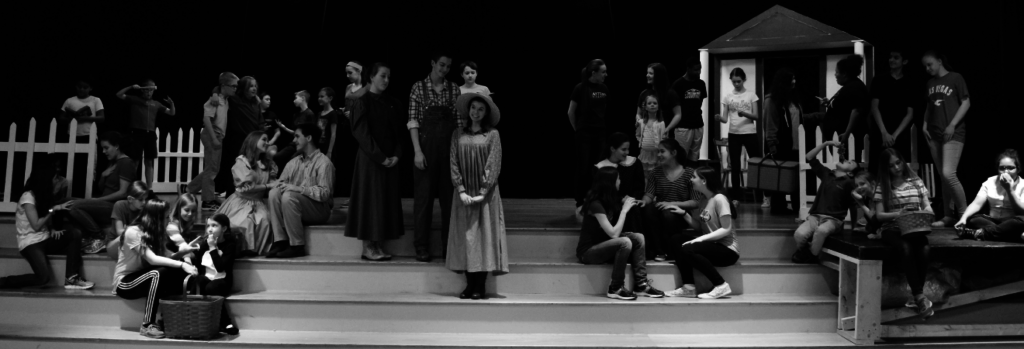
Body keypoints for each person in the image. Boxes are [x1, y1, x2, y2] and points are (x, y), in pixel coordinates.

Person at [0, 153, 93, 290]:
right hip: (30, 242)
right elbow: (36, 225)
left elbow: (45, 218)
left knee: (75, 234)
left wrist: (52, 229)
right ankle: (3, 282)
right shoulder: (28, 197)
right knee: (42, 277)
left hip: (45, 238)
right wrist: (52, 210)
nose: (56, 180)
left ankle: (72, 277)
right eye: (54, 178)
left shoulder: (43, 195)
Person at [447, 92, 508, 299]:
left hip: (485, 195)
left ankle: (480, 285)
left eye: (480, 109)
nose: (476, 112)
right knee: (466, 239)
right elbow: (453, 162)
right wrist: (461, 189)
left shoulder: (492, 135)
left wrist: (483, 192)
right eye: (473, 108)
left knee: (483, 238)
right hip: (463, 194)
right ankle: (468, 284)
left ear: (486, 113)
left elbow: (494, 162)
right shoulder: (457, 134)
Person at [113, 198, 198, 339]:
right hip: (125, 283)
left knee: (171, 271)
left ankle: (169, 318)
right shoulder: (132, 232)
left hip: (144, 276)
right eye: (165, 217)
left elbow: (168, 258)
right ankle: (147, 324)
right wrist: (182, 264)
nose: (168, 220)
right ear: (155, 217)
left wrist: (183, 255)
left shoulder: (157, 233)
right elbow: (152, 259)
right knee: (157, 273)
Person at [577, 167, 664, 300]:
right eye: (618, 179)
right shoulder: (595, 204)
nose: (620, 182)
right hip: (588, 252)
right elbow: (613, 234)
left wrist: (628, 202)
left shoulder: (609, 199)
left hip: (604, 244)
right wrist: (624, 211)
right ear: (610, 182)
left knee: (638, 237)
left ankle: (641, 284)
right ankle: (615, 287)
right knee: (625, 242)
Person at [346, 62, 405, 261]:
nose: (386, 80)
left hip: (389, 160)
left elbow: (399, 133)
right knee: (370, 200)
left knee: (384, 201)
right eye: (382, 76)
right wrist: (380, 157)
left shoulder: (393, 103)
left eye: (388, 77)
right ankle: (368, 246)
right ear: (371, 77)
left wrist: (396, 154)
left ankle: (378, 244)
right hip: (371, 159)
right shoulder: (361, 101)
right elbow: (361, 133)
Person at [866, 148, 934, 318]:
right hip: (892, 228)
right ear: (885, 168)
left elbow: (927, 205)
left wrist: (927, 212)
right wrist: (898, 214)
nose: (896, 168)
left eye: (898, 162)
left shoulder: (915, 181)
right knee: (905, 248)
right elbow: (879, 215)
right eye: (891, 165)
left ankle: (916, 295)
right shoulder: (883, 186)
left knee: (924, 249)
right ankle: (919, 296)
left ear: (903, 161)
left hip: (915, 226)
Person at [408, 52, 462, 262]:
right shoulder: (418, 88)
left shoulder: (454, 88)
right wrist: (417, 151)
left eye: (448, 66)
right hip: (426, 149)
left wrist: (457, 154)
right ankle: (421, 246)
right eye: (441, 65)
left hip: (448, 150)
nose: (444, 69)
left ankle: (449, 247)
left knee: (449, 202)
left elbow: (458, 124)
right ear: (432, 63)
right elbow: (413, 122)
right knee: (423, 201)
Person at [664, 166, 739, 299]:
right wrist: (684, 214)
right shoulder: (703, 200)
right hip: (712, 246)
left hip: (727, 251)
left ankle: (720, 285)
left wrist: (701, 239)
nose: (691, 180)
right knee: (676, 239)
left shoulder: (720, 198)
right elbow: (700, 228)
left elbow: (726, 229)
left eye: (694, 177)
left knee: (688, 248)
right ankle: (688, 287)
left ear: (704, 181)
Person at [266, 124, 335, 258]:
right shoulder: (294, 162)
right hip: (296, 207)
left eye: (297, 136)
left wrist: (299, 189)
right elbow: (281, 183)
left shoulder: (324, 162)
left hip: (319, 210)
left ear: (308, 138)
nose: (294, 140)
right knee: (274, 193)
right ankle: (280, 240)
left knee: (289, 196)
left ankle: (297, 245)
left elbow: (325, 194)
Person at [922, 50, 970, 227]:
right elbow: (929, 105)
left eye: (930, 64)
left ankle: (964, 214)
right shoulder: (930, 83)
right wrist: (924, 124)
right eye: (925, 66)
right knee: (942, 176)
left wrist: (952, 124)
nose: (927, 68)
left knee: (949, 173)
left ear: (939, 61)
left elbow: (966, 102)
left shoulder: (955, 78)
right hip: (934, 134)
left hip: (953, 133)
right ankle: (948, 215)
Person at [68, 131, 137, 253]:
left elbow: (123, 192)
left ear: (116, 146)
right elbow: (101, 188)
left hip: (113, 206)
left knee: (75, 207)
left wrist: (97, 200)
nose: (104, 151)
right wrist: (103, 175)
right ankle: (83, 237)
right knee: (67, 202)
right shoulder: (113, 163)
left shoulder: (126, 163)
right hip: (103, 203)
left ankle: (99, 237)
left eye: (106, 148)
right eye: (103, 148)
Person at [791, 141, 859, 264]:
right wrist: (826, 144)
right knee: (799, 234)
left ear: (850, 173)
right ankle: (807, 253)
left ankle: (811, 255)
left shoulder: (849, 182)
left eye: (850, 162)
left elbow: (853, 206)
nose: (846, 160)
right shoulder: (827, 174)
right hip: (814, 217)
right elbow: (809, 157)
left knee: (822, 231)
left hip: (833, 220)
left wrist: (855, 226)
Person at [185, 72, 238, 211]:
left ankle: (189, 188)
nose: (235, 89)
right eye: (233, 86)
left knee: (213, 168)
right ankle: (207, 201)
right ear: (224, 86)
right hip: (212, 134)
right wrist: (214, 138)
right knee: (212, 169)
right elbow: (206, 119)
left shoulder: (225, 99)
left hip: (218, 135)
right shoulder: (214, 100)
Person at [217, 131, 275, 256]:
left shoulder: (266, 163)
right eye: (264, 139)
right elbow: (246, 187)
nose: (267, 143)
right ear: (254, 141)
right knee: (243, 222)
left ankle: (253, 251)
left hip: (258, 202)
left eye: (267, 140)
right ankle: (238, 251)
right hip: (241, 202)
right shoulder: (242, 162)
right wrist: (268, 185)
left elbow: (272, 180)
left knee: (264, 220)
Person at [642, 139, 700, 261]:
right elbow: (649, 195)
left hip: (680, 213)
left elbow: (695, 202)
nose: (658, 155)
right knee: (649, 210)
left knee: (668, 214)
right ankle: (659, 251)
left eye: (662, 151)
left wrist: (671, 204)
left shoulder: (689, 173)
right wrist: (643, 201)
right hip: (661, 210)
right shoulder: (655, 172)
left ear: (673, 153)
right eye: (658, 151)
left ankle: (671, 250)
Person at [569, 59, 609, 222]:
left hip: (600, 133)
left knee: (598, 168)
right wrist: (578, 129)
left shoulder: (604, 88)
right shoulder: (580, 88)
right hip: (585, 133)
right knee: (583, 168)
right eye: (603, 72)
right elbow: (570, 112)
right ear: (594, 73)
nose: (606, 75)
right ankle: (580, 201)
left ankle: (596, 200)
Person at [185, 213, 239, 335]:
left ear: (224, 228)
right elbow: (199, 267)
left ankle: (225, 322)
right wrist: (190, 257)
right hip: (207, 278)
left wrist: (213, 248)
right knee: (198, 280)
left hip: (222, 281)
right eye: (208, 225)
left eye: (214, 225)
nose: (210, 229)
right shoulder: (204, 245)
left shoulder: (230, 246)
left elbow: (220, 268)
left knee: (211, 287)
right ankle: (188, 316)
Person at [955, 149, 1024, 242]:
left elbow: (1021, 211)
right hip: (992, 221)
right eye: (1002, 168)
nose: (1006, 171)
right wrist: (963, 218)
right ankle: (1011, 235)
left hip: (1013, 221)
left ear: (1018, 169)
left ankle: (979, 233)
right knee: (972, 219)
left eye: (1010, 168)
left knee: (1022, 220)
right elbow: (977, 204)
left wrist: (1009, 190)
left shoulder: (1023, 185)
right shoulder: (990, 182)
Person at [116, 79, 175, 188]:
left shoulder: (156, 104)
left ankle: (149, 188)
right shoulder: (134, 99)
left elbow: (171, 113)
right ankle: (130, 187)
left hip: (150, 135)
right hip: (137, 133)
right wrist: (131, 87)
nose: (149, 93)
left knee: (149, 162)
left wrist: (171, 104)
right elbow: (119, 94)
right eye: (147, 90)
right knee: (135, 162)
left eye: (151, 90)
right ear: (142, 90)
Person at [716, 68, 761, 198]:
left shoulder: (751, 95)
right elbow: (725, 119)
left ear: (744, 80)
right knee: (735, 165)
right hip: (734, 133)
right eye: (734, 82)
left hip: (749, 133)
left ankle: (759, 194)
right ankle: (735, 196)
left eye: (739, 81)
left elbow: (756, 116)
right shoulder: (728, 97)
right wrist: (719, 118)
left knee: (756, 163)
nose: (736, 84)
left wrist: (744, 113)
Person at [868, 49, 915, 174]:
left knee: (898, 168)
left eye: (896, 57)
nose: (891, 60)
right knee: (877, 167)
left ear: (904, 61)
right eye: (890, 57)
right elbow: (874, 107)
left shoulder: (909, 83)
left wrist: (895, 135)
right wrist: (884, 132)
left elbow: (910, 113)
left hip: (899, 133)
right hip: (880, 131)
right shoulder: (879, 80)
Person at [763, 69, 803, 214]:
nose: (794, 82)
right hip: (781, 145)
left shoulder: (792, 98)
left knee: (795, 178)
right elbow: (770, 123)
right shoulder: (771, 100)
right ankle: (779, 207)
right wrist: (772, 144)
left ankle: (797, 206)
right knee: (780, 178)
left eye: (794, 79)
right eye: (791, 79)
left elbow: (796, 118)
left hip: (796, 144)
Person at [217, 76, 263, 198]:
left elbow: (260, 121)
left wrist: (262, 135)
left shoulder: (256, 103)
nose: (254, 88)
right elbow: (220, 89)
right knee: (235, 169)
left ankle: (248, 196)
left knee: (251, 169)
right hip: (237, 141)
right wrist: (214, 95)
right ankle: (231, 197)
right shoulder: (235, 100)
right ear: (244, 88)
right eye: (251, 86)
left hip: (252, 141)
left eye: (255, 86)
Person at [59, 80, 105, 198]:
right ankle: (71, 193)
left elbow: (101, 118)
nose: (82, 90)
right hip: (73, 136)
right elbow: (61, 118)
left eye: (85, 87)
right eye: (80, 87)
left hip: (89, 135)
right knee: (73, 165)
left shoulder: (95, 100)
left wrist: (84, 118)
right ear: (76, 87)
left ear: (90, 88)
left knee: (88, 166)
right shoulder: (70, 100)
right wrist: (72, 118)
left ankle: (87, 194)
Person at [819, 55, 869, 161]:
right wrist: (829, 103)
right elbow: (844, 108)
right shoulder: (849, 87)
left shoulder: (855, 87)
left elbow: (856, 111)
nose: (835, 75)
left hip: (846, 141)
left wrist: (847, 133)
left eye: (837, 72)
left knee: (847, 168)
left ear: (845, 74)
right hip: (842, 140)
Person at [598, 133, 646, 234]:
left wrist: (631, 199)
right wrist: (621, 200)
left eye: (628, 149)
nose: (627, 152)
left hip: (632, 200)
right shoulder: (601, 167)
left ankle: (640, 243)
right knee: (622, 210)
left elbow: (639, 187)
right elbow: (602, 192)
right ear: (612, 149)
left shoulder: (635, 163)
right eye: (623, 149)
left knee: (638, 209)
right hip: (611, 201)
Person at [104, 181, 158, 260]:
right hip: (116, 243)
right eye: (140, 200)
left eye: (146, 199)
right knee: (129, 236)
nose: (144, 202)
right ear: (130, 199)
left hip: (135, 243)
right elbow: (120, 232)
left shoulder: (144, 209)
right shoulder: (120, 205)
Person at [670, 57, 708, 163]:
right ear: (688, 69)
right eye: (696, 69)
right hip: (683, 126)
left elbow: (699, 103)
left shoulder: (701, 84)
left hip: (698, 124)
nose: (699, 72)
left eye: (700, 69)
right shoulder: (678, 84)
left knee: (694, 157)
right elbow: (674, 107)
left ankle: (691, 178)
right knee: (681, 157)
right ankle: (681, 179)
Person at [637, 63, 681, 149]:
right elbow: (638, 113)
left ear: (658, 75)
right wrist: (639, 121)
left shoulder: (670, 93)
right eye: (647, 73)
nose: (647, 75)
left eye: (651, 73)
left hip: (664, 135)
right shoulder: (644, 93)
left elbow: (678, 114)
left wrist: (667, 128)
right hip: (647, 136)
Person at [274, 90, 315, 170]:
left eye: (296, 98)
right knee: (277, 157)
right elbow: (295, 133)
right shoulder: (296, 115)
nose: (294, 100)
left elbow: (311, 133)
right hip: (294, 143)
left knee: (291, 162)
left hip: (303, 145)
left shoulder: (309, 114)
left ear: (303, 98)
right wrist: (284, 127)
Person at [636, 94, 666, 174]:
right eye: (649, 103)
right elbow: (638, 135)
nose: (652, 105)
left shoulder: (661, 123)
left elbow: (664, 139)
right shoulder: (641, 122)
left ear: (658, 106)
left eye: (655, 103)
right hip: (644, 153)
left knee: (657, 174)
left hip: (656, 154)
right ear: (645, 107)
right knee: (645, 174)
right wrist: (642, 143)